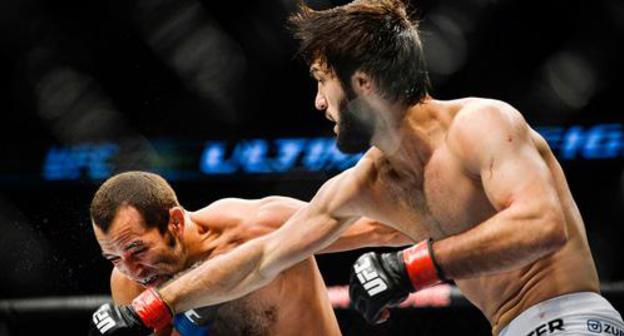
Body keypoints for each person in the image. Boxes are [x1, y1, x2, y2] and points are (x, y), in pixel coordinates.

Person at [90, 1, 624, 335]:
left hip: (570, 319)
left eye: (323, 82)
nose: (320, 103)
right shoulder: (366, 185)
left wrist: (412, 267)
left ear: (362, 84)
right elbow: (262, 258)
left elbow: (542, 225)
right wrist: (151, 310)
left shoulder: (481, 124)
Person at [88, 171, 410, 335]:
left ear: (174, 222)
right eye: (114, 258)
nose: (132, 269)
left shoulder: (259, 227)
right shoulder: (129, 284)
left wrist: (408, 268)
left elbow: (387, 228)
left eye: (137, 249)